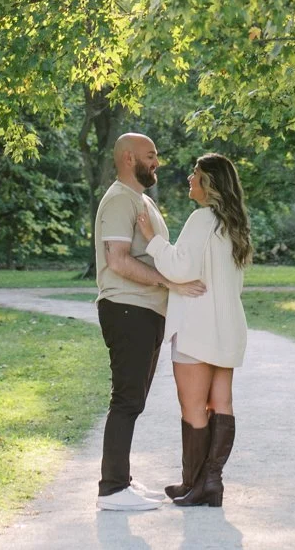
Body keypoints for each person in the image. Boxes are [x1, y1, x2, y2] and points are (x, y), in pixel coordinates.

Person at [94, 132, 205, 513]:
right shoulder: (119, 201)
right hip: (127, 308)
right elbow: (118, 260)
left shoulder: (139, 200)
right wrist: (167, 281)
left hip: (144, 310)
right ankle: (111, 490)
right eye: (150, 155)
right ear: (128, 158)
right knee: (126, 399)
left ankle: (120, 480)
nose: (157, 161)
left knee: (133, 400)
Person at [143, 152, 251, 509]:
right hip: (228, 326)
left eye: (195, 174)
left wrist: (152, 239)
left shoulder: (201, 219)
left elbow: (179, 267)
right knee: (221, 403)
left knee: (192, 407)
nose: (190, 178)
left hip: (198, 326)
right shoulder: (234, 224)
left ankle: (202, 483)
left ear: (209, 184)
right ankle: (204, 483)